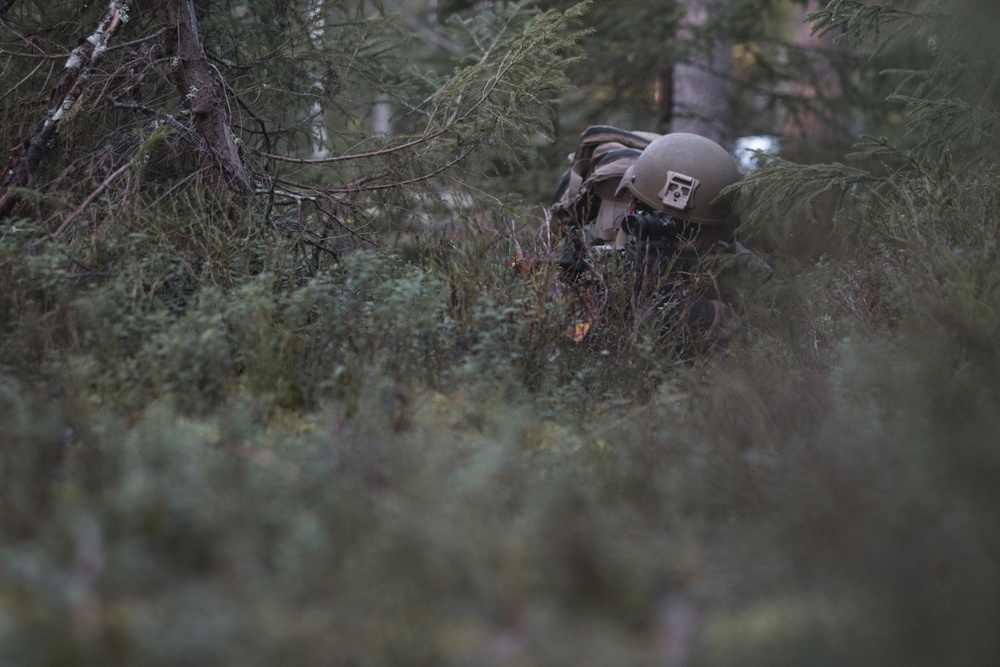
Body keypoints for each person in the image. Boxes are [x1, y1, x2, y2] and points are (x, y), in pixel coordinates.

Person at [540, 128, 772, 349]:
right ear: (631, 204)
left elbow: (774, 336)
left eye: (687, 230)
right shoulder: (597, 238)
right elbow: (555, 330)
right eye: (646, 213)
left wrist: (706, 316)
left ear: (718, 234)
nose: (664, 234)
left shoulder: (737, 264)